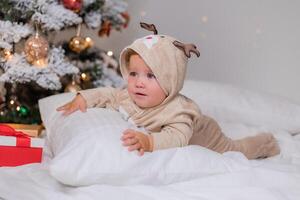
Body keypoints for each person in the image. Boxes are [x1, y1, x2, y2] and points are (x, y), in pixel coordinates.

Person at [57, 23, 280, 159]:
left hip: (206, 135)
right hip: (194, 131)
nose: (138, 83)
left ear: (171, 80)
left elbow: (178, 137)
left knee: (237, 150)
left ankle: (266, 142)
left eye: (151, 75)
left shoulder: (178, 112)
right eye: (133, 73)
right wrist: (83, 98)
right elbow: (109, 94)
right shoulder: (129, 95)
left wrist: (149, 142)